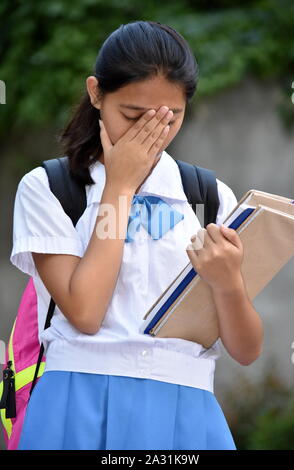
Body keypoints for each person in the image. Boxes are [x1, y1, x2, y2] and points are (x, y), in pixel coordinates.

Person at [11, 20, 263, 450]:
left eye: (171, 117)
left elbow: (245, 349)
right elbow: (86, 314)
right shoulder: (49, 188)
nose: (152, 133)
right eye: (132, 115)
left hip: (186, 408)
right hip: (79, 401)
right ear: (96, 94)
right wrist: (120, 188)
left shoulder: (206, 196)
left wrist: (228, 284)